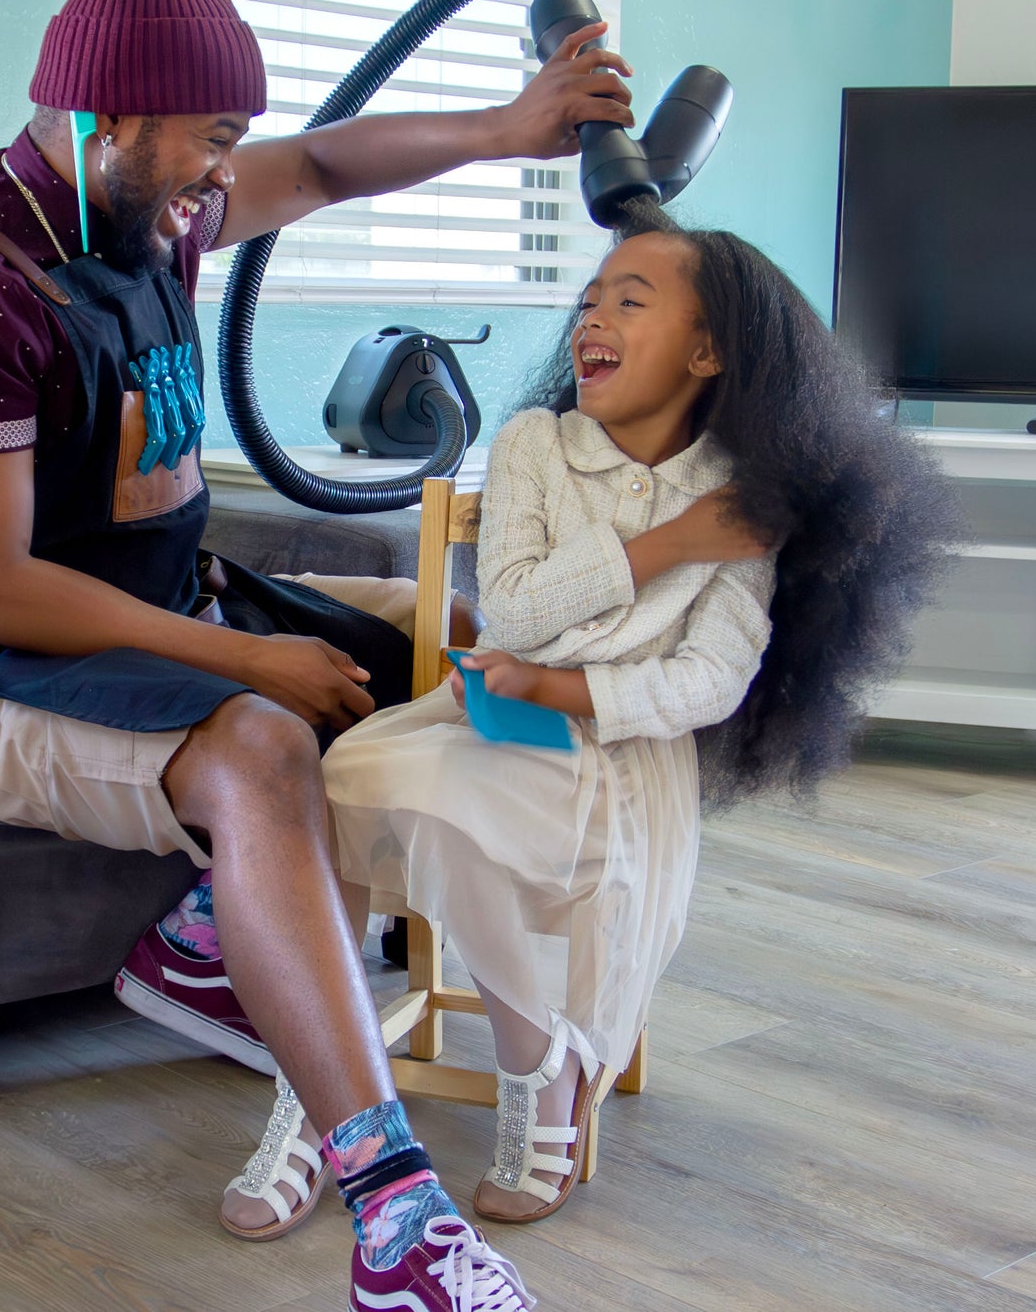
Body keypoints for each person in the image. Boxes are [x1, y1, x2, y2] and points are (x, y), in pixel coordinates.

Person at [0, 0, 650, 1312]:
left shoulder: (151, 202)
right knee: (265, 747)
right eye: (212, 135)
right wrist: (244, 661)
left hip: (155, 602)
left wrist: (510, 127)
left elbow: (329, 164)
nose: (228, 174)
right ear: (113, 119)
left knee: (472, 650)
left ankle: (233, 942)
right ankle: (396, 1219)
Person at [222, 201, 958, 1234]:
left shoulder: (745, 498)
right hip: (484, 720)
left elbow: (710, 681)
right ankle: (321, 1097)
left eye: (631, 298)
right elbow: (514, 608)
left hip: (621, 751)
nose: (593, 317)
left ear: (706, 349)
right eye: (589, 298)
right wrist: (668, 545)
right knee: (345, 784)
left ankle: (536, 1065)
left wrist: (562, 689)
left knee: (438, 799)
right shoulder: (535, 448)